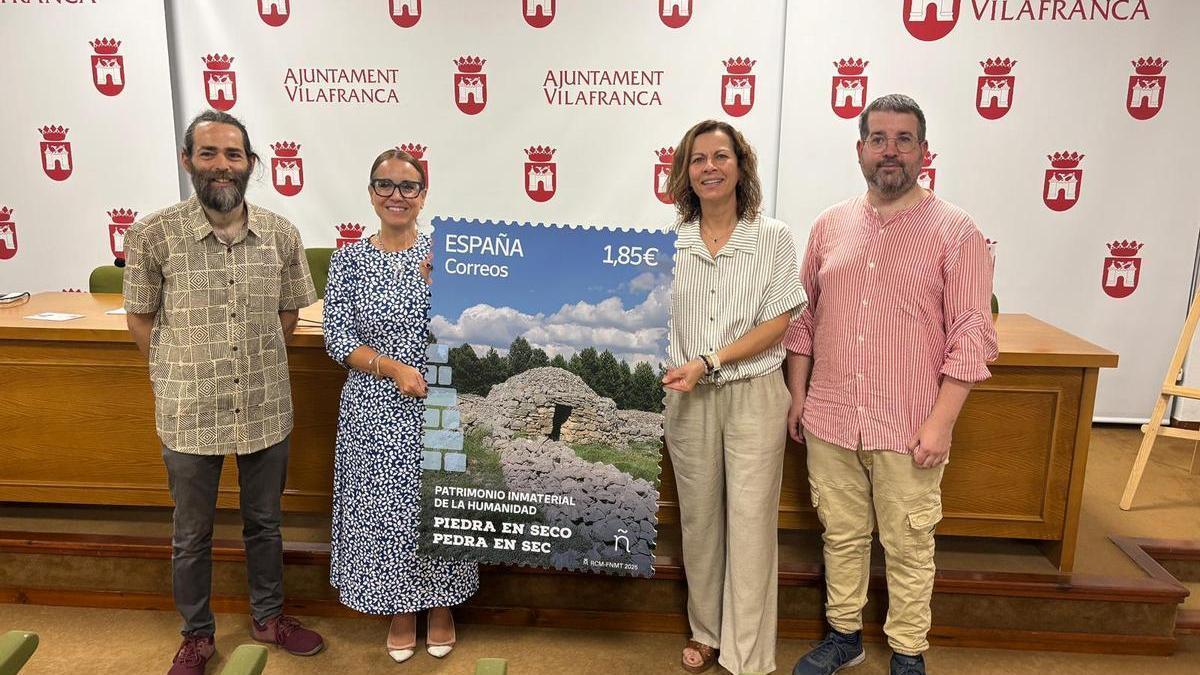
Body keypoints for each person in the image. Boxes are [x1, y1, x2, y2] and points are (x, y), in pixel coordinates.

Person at [786, 94, 998, 675]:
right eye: (878, 138)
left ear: (925, 152)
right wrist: (799, 396)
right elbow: (806, 319)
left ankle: (907, 651)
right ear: (860, 150)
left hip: (908, 426)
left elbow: (971, 334)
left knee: (908, 545)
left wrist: (941, 423)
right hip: (830, 418)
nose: (891, 151)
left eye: (904, 140)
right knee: (842, 534)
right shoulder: (829, 227)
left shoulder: (957, 233)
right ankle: (844, 636)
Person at [122, 109, 324, 675]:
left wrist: (256, 362)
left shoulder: (281, 234)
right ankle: (196, 635)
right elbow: (140, 319)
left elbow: (289, 313)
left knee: (266, 523)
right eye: (208, 153)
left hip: (265, 405)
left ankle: (268, 617)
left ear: (251, 164)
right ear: (188, 161)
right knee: (192, 534)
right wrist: (174, 373)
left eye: (233, 154)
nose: (221, 165)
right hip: (189, 411)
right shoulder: (151, 234)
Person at [661, 120, 807, 675]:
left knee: (749, 524)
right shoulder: (666, 245)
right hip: (688, 401)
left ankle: (746, 652)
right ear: (685, 172)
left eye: (721, 156)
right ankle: (706, 631)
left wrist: (711, 361)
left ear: (741, 166)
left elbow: (779, 323)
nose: (710, 167)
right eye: (698, 159)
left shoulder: (773, 236)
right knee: (699, 522)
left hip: (753, 393)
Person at [322, 147, 479, 663]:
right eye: (385, 185)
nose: (396, 195)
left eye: (408, 186)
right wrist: (391, 369)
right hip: (375, 405)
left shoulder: (447, 256)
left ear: (423, 195)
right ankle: (400, 608)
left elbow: (473, 335)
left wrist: (444, 290)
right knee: (388, 513)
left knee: (436, 508)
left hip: (438, 405)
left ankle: (440, 606)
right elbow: (337, 338)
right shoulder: (349, 259)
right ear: (370, 194)